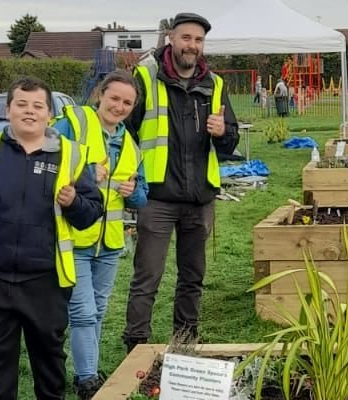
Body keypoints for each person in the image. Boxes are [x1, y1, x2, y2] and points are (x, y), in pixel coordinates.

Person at [0, 77, 105, 400]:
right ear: (8, 110)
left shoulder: (71, 156)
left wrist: (73, 202)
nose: (29, 112)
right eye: (21, 104)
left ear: (50, 115)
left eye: (38, 106)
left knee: (49, 362)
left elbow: (92, 211)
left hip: (45, 279)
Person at [122, 12, 240, 353]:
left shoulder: (214, 85)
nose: (192, 45)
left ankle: (185, 342)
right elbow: (123, 131)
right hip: (157, 196)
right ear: (171, 38)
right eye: (186, 38)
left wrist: (223, 133)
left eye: (198, 40)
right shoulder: (144, 76)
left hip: (199, 198)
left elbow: (229, 141)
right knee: (147, 277)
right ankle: (136, 346)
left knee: (192, 278)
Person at [54, 70, 148, 399]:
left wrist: (132, 191)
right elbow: (45, 158)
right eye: (114, 98)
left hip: (109, 244)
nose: (119, 107)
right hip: (74, 238)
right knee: (82, 311)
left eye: (127, 102)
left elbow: (142, 195)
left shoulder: (131, 146)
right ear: (100, 94)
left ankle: (89, 370)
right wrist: (83, 174)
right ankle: (87, 380)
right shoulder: (74, 123)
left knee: (99, 309)